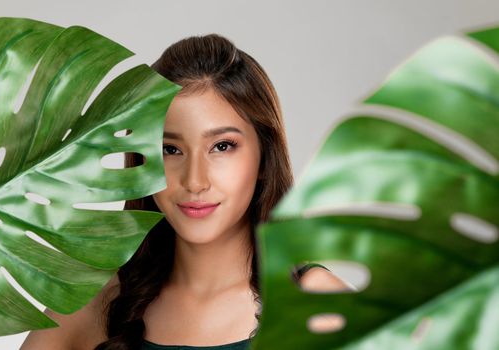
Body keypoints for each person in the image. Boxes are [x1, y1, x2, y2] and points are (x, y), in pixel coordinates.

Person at [21, 33, 346, 350]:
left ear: (264, 158)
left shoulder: (319, 305)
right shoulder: (96, 305)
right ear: (142, 161)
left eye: (221, 146)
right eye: (170, 150)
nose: (195, 181)